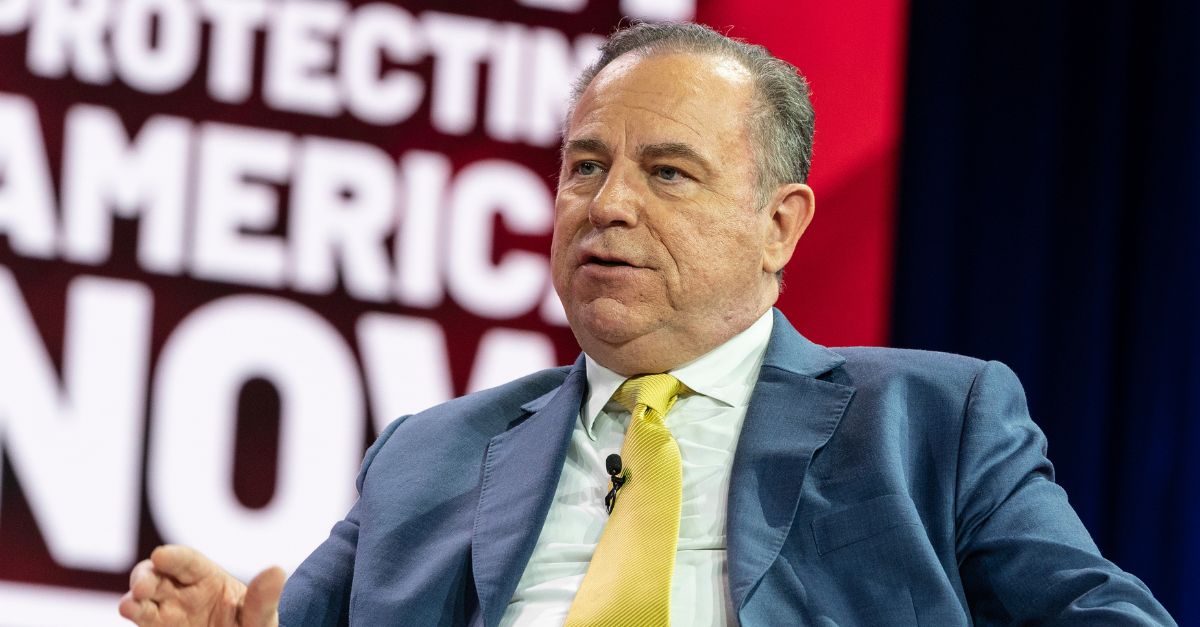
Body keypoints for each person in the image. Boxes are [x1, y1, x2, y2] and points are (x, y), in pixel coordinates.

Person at [119, 22, 1176, 627]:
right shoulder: (430, 456)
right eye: (587, 166)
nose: (607, 204)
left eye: (667, 172)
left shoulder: (933, 425)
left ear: (779, 225)